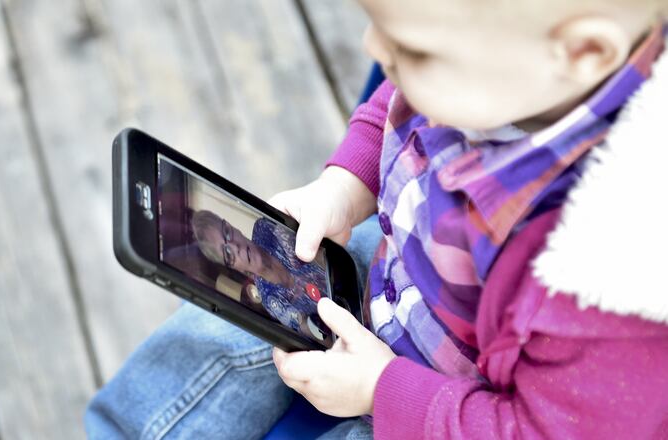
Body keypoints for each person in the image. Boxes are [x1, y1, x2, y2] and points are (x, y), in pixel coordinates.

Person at [86, 0, 668, 438]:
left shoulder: (608, 279)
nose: (374, 48)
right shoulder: (503, 68)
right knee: (227, 316)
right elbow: (396, 101)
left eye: (412, 51)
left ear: (585, 52)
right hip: (403, 266)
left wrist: (380, 390)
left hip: (460, 405)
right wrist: (345, 186)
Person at [190, 210, 329, 341]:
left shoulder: (265, 228)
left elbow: (318, 247)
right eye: (227, 253)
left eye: (227, 232)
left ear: (232, 227)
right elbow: (320, 336)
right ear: (232, 266)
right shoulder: (270, 299)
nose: (235, 247)